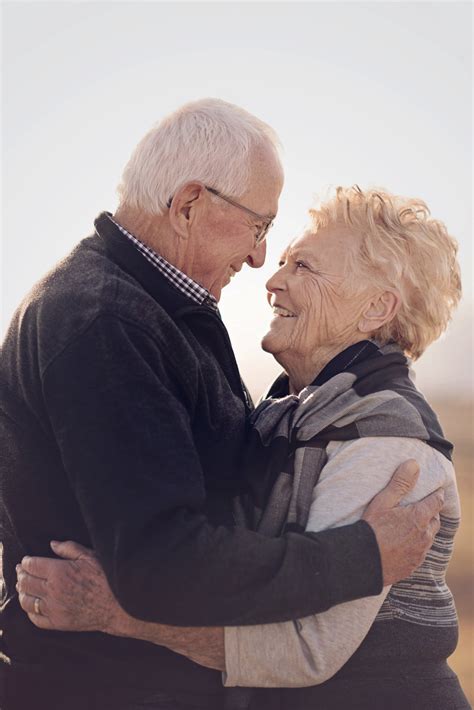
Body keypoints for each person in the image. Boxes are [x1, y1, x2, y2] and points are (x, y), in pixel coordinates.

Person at [1, 100, 442, 710]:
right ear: (188, 206)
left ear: (376, 309)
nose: (263, 264)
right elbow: (164, 561)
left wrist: (117, 613)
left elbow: (305, 642)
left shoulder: (360, 426)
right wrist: (361, 556)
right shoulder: (106, 321)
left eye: (298, 260)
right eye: (261, 230)